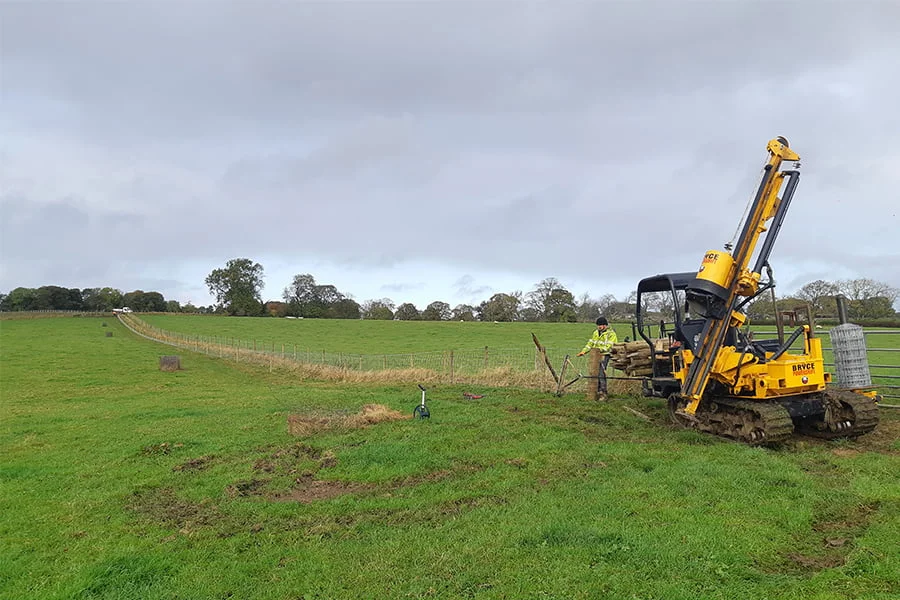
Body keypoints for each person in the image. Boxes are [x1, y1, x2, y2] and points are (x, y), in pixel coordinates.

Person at [577, 316, 618, 399]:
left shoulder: (611, 334)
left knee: (601, 374)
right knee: (594, 373)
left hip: (604, 355)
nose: (599, 326)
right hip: (595, 355)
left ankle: (603, 392)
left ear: (605, 325)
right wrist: (584, 351)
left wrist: (599, 350)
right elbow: (590, 343)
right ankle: (595, 392)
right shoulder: (595, 333)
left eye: (601, 325)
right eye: (598, 325)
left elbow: (610, 346)